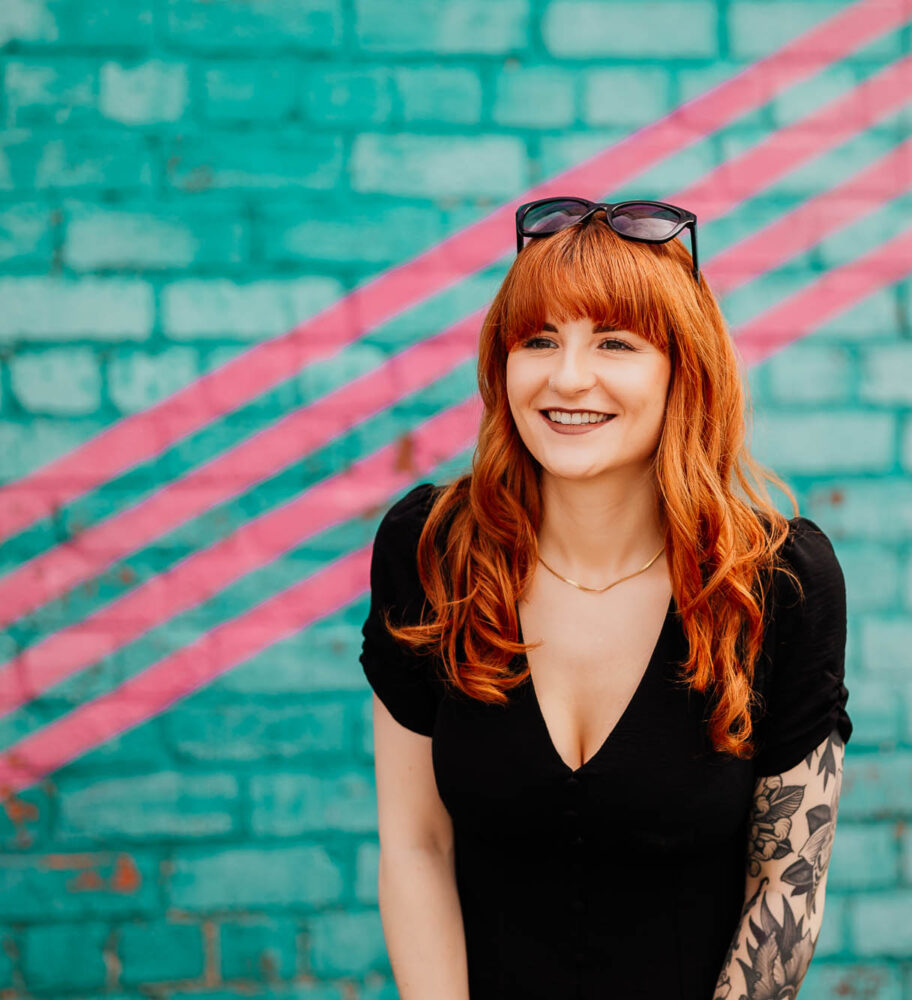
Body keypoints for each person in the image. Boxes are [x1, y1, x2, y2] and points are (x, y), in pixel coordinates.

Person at [359, 196, 852, 1000]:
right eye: (539, 340)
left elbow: (786, 890)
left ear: (681, 370)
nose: (567, 378)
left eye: (614, 343)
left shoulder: (776, 584)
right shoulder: (431, 553)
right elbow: (417, 844)